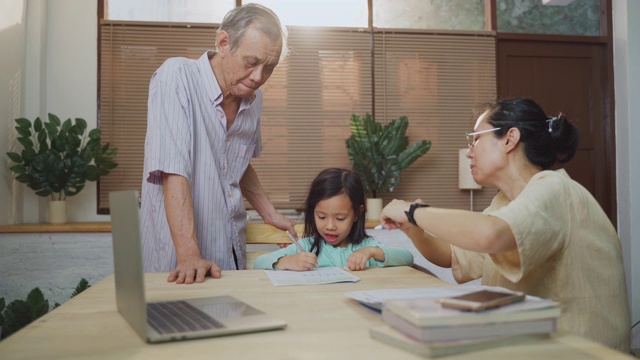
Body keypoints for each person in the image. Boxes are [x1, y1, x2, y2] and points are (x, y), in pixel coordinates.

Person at [380, 97, 630, 352]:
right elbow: (451, 256)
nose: (469, 151)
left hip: (578, 351)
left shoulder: (554, 189)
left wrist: (414, 212)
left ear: (510, 139)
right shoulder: (505, 203)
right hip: (527, 344)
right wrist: (415, 230)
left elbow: (489, 235)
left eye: (476, 138)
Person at [140, 4, 295, 284]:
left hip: (229, 257)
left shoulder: (253, 97)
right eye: (251, 62)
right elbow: (172, 170)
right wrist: (189, 255)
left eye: (268, 68)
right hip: (179, 264)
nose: (259, 77)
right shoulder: (176, 77)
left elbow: (237, 162)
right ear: (224, 42)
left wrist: (269, 213)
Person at [253, 168, 413, 271]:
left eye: (340, 218)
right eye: (321, 217)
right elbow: (259, 263)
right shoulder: (306, 246)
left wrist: (371, 252)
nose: (330, 226)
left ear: (357, 213)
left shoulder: (366, 247)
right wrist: (287, 262)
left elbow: (407, 257)